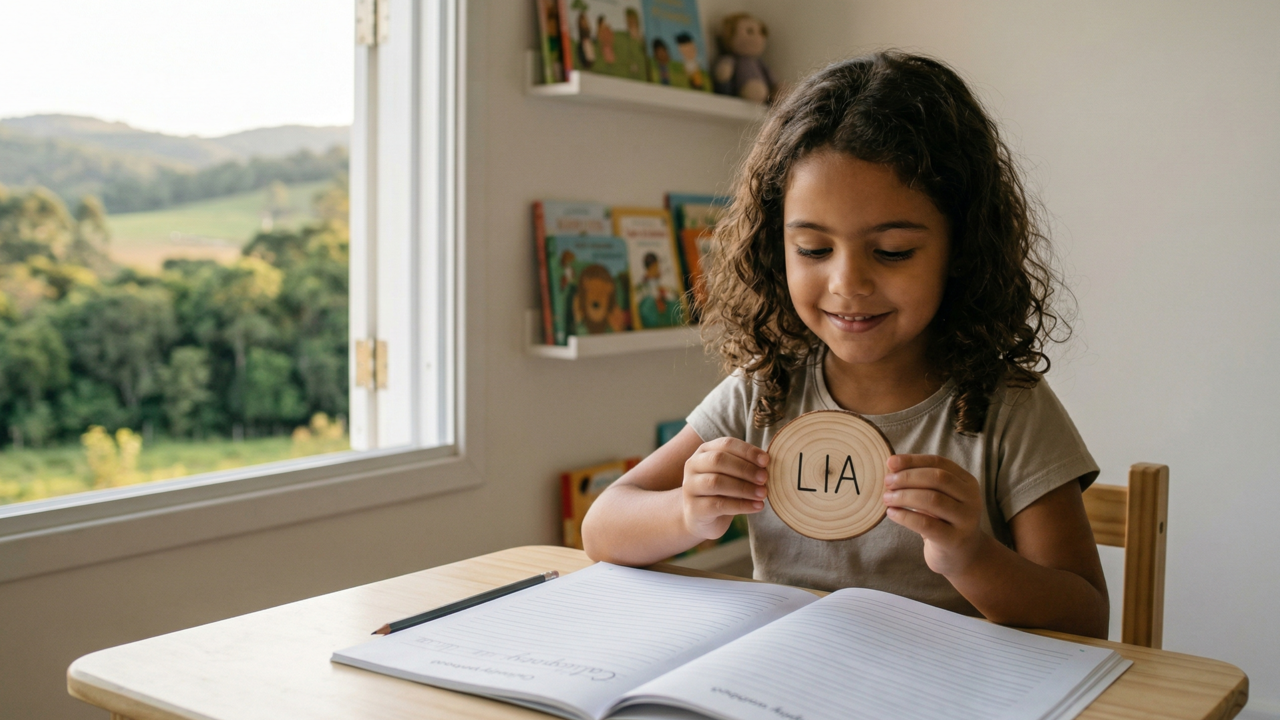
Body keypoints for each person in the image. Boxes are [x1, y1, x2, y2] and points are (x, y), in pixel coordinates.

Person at [582, 52, 1110, 639]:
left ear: (960, 249)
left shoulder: (1007, 407)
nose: (847, 285)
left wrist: (970, 555)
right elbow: (602, 527)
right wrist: (686, 512)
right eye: (812, 249)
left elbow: (1084, 615)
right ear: (774, 246)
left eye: (892, 252)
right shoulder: (765, 392)